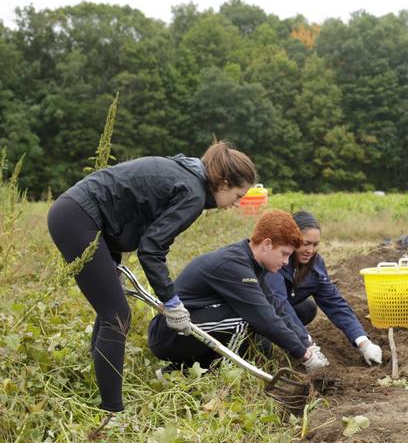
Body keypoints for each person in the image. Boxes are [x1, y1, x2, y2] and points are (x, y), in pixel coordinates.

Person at [47, 141, 256, 414]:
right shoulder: (193, 193)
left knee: (111, 307)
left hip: (82, 215)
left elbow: (134, 208)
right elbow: (151, 249)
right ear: (224, 183)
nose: (238, 204)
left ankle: (98, 381)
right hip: (79, 218)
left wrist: (113, 263)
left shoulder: (187, 174)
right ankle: (112, 413)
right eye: (238, 195)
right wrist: (171, 302)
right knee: (117, 315)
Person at [148, 209, 330, 373]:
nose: (285, 262)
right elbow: (265, 317)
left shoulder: (252, 264)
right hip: (171, 333)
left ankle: (180, 370)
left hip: (194, 326)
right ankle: (220, 374)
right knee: (247, 317)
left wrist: (306, 345)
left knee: (262, 338)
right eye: (284, 254)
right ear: (267, 244)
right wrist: (304, 355)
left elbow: (276, 307)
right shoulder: (234, 265)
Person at [265, 211, 383, 366]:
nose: (310, 250)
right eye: (306, 243)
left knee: (307, 308)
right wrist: (307, 346)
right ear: (292, 239)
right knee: (264, 347)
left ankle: (289, 337)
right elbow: (279, 305)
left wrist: (363, 342)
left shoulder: (315, 264)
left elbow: (334, 302)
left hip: (283, 309)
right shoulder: (276, 260)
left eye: (315, 245)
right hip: (259, 313)